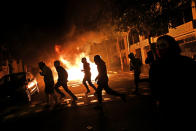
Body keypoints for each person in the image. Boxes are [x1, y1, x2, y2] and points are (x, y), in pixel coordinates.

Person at [150, 35, 196, 130]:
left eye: (163, 45)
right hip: (166, 108)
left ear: (171, 45)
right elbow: (154, 88)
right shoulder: (155, 66)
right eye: (158, 46)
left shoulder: (187, 63)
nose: (159, 48)